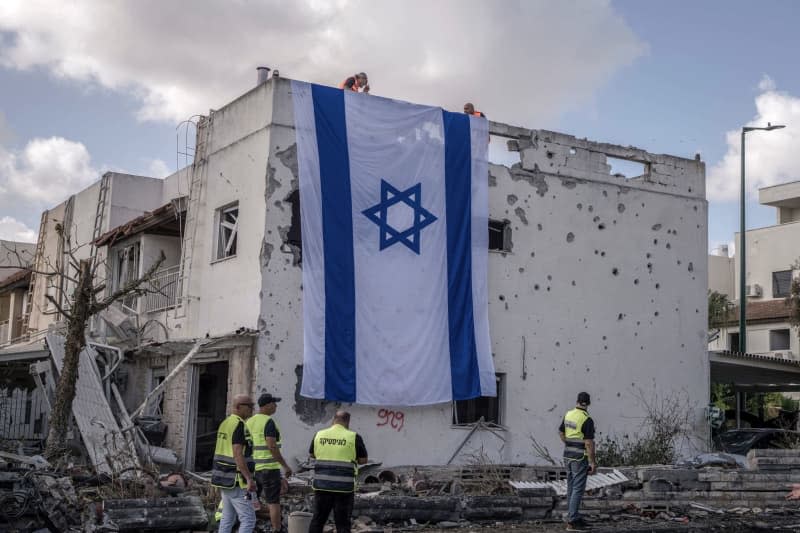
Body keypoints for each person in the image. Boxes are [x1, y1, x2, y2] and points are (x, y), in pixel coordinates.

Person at [308, 411, 368, 533]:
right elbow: (363, 460)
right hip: (344, 488)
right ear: (347, 422)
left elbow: (312, 454)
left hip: (322, 486)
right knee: (343, 523)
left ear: (333, 420)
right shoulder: (353, 436)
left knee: (318, 520)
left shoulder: (319, 434)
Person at [246, 393, 293, 533]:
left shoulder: (249, 422)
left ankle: (250, 525)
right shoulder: (268, 422)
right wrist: (285, 466)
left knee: (253, 500)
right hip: (269, 468)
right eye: (274, 403)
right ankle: (277, 529)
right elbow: (272, 446)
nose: (276, 406)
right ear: (266, 405)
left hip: (255, 468)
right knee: (273, 501)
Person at [212, 394, 257, 533]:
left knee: (227, 517)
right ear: (238, 407)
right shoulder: (239, 425)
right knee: (248, 520)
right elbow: (238, 454)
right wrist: (249, 478)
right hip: (236, 480)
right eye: (249, 406)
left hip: (224, 478)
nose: (252, 409)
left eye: (253, 406)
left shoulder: (225, 423)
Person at [558, 392, 597, 532]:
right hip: (580, 458)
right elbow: (588, 443)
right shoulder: (587, 419)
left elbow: (561, 433)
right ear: (588, 403)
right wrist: (593, 462)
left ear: (577, 401)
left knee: (571, 487)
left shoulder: (568, 414)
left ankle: (573, 516)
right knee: (577, 489)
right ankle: (573, 521)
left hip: (567, 456)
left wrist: (569, 444)